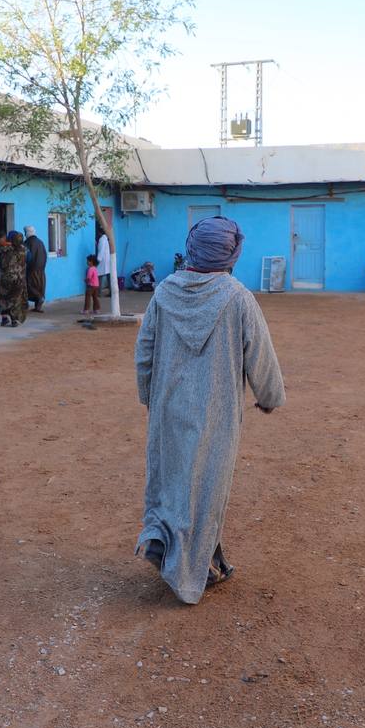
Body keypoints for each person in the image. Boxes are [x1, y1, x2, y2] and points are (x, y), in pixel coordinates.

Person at [134, 216, 286, 604]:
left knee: (170, 480)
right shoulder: (237, 298)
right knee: (206, 489)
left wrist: (148, 394)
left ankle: (166, 541)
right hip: (215, 413)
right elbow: (261, 356)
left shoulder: (164, 292)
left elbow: (145, 351)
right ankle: (189, 574)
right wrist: (269, 397)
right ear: (231, 254)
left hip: (167, 407)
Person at [0, 231, 27, 327]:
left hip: (3, 278)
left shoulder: (3, 248)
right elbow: (29, 258)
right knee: (14, 299)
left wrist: (2, 243)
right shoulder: (23, 249)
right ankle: (14, 320)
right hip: (18, 278)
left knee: (3, 298)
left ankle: (4, 318)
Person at [23, 224, 47, 313]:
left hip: (32, 269)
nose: (25, 234)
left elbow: (26, 256)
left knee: (30, 286)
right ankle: (38, 307)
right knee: (40, 287)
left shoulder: (28, 243)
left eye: (25, 232)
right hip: (41, 269)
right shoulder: (40, 242)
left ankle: (39, 298)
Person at [96, 226, 112, 297]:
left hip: (103, 260)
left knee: (99, 276)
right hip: (107, 260)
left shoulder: (102, 239)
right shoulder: (106, 239)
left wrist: (98, 260)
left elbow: (101, 251)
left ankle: (98, 293)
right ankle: (111, 292)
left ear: (100, 233)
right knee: (108, 277)